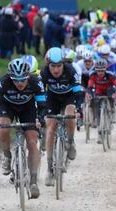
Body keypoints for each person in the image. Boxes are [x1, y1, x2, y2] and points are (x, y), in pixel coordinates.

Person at [0, 58, 46, 199]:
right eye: (16, 80)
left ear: (28, 76)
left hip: (28, 108)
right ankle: (7, 156)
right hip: (7, 107)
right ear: (10, 77)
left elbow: (44, 107)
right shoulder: (3, 82)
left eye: (23, 80)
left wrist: (40, 119)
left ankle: (33, 181)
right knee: (3, 126)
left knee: (32, 141)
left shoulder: (36, 82)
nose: (19, 83)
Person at [41, 47, 82, 187]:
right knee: (51, 126)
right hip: (52, 98)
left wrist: (80, 109)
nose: (56, 70)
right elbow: (39, 92)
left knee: (70, 114)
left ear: (64, 64)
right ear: (48, 65)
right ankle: (49, 168)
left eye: (59, 66)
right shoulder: (44, 73)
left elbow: (78, 92)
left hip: (68, 97)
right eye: (53, 66)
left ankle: (70, 141)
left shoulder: (70, 70)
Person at [87, 58, 116, 143]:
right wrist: (89, 94)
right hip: (99, 92)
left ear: (105, 70)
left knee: (111, 94)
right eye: (98, 71)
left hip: (109, 91)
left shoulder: (110, 75)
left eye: (102, 71)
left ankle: (112, 110)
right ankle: (99, 132)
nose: (100, 73)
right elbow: (90, 87)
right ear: (96, 70)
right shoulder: (93, 75)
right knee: (96, 107)